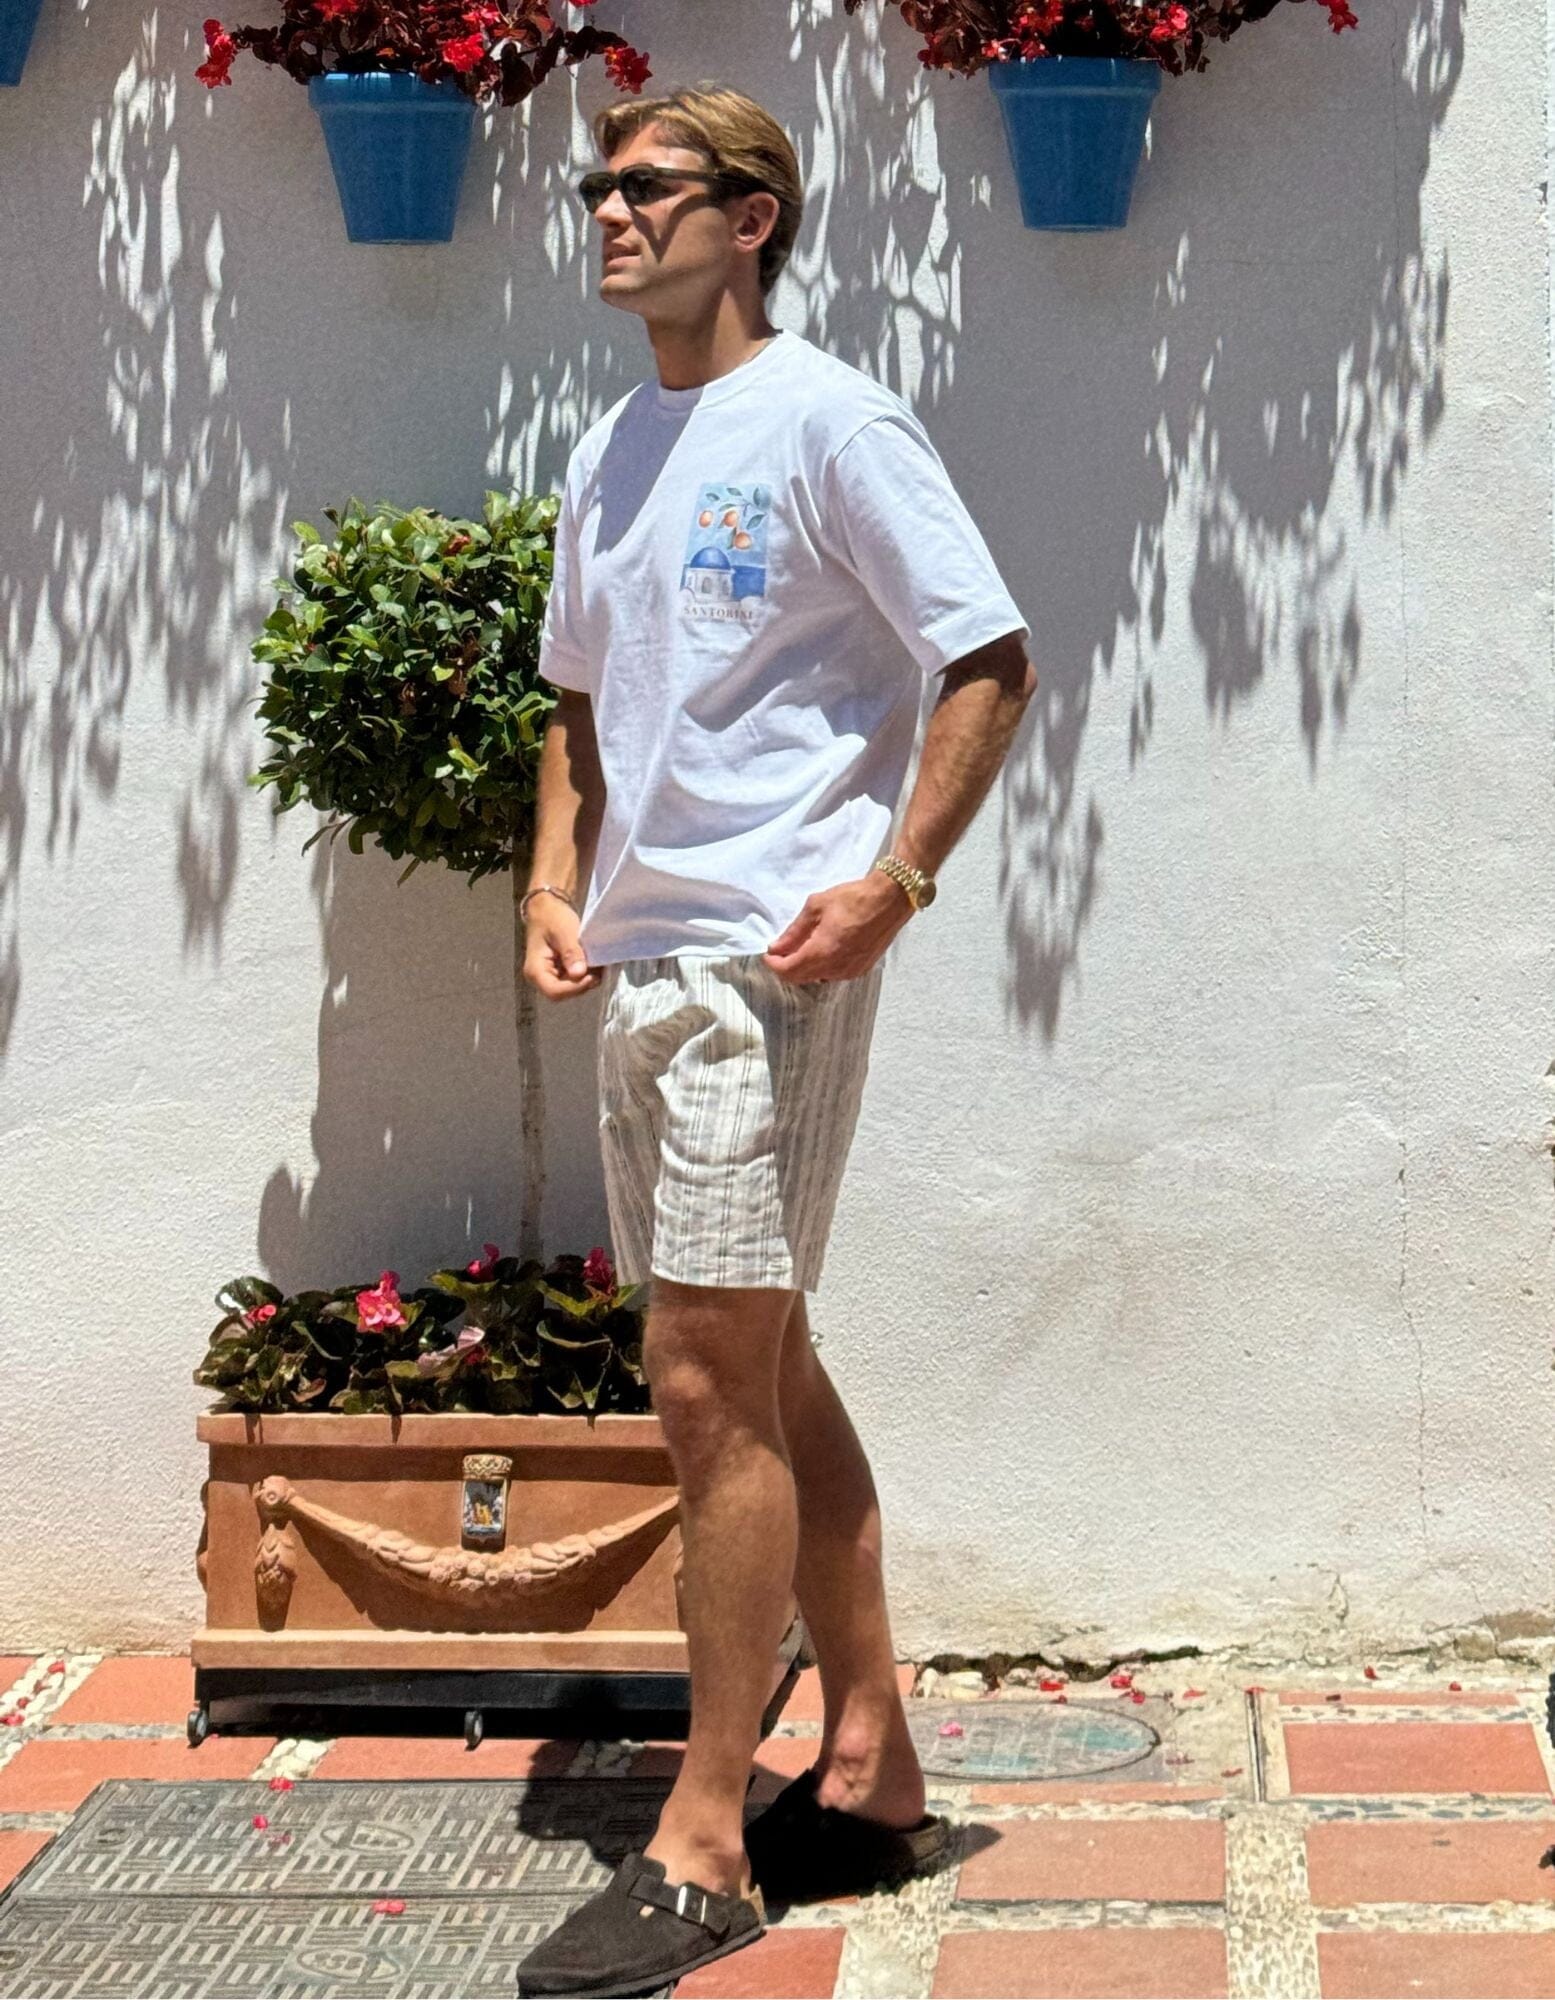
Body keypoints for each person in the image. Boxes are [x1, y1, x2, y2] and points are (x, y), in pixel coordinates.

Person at [513, 81, 1035, 2000]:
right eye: (598, 186)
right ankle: (874, 1762)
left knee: (701, 1384)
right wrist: (551, 876)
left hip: (770, 968)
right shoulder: (609, 447)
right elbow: (578, 698)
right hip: (642, 965)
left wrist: (894, 880)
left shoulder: (831, 421)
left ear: (751, 217)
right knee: (767, 1365)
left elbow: (987, 658)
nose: (608, 211)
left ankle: (707, 1836)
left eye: (646, 185)